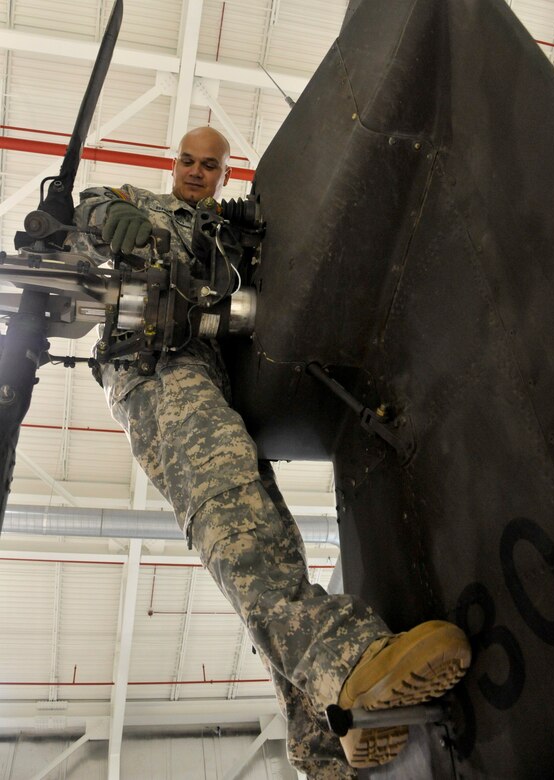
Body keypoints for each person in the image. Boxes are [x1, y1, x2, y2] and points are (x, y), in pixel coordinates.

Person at [71, 127, 471, 778]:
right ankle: (345, 663)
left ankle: (323, 744)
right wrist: (106, 212)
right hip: (153, 368)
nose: (195, 172)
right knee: (231, 509)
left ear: (225, 175)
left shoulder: (236, 234)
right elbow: (80, 207)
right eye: (187, 161)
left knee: (267, 546)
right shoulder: (138, 204)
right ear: (172, 164)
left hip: (208, 378)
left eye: (210, 165)